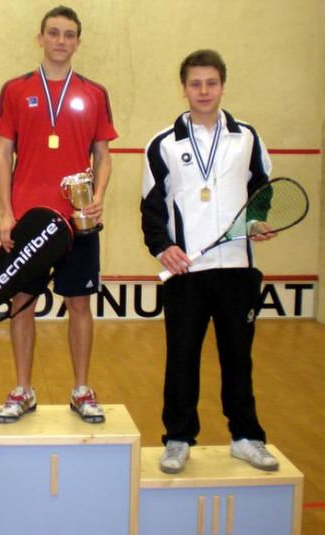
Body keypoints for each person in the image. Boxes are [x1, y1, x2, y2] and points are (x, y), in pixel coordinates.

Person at [140, 49, 279, 473]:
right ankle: (178, 438)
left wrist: (255, 221)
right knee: (182, 358)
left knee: (238, 358)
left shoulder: (247, 137)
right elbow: (151, 207)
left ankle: (246, 437)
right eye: (195, 83)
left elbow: (262, 190)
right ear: (183, 88)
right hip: (187, 273)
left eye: (211, 83)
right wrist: (163, 248)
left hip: (238, 269)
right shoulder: (163, 144)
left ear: (222, 86)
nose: (203, 91)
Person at [0, 5, 117, 423]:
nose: (61, 41)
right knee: (22, 303)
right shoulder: (15, 90)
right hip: (29, 222)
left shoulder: (94, 93)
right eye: (54, 33)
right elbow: (2, 153)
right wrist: (6, 213)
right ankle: (23, 390)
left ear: (78, 42)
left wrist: (97, 196)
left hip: (78, 223)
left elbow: (103, 155)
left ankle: (81, 390)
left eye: (69, 34)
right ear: (40, 38)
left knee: (79, 304)